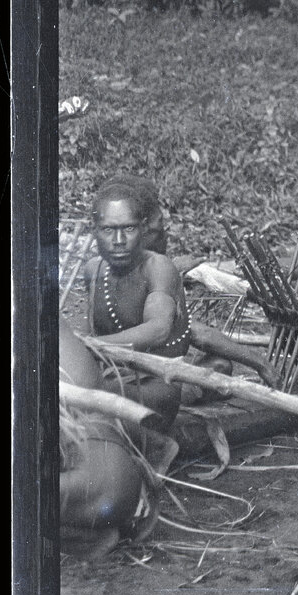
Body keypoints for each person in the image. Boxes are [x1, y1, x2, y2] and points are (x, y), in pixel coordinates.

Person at [104, 174, 281, 389]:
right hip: (135, 382)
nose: (166, 233)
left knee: (217, 365)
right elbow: (197, 334)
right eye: (160, 226)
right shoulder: (148, 272)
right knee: (219, 367)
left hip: (119, 372)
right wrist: (261, 363)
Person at [83, 178, 192, 431]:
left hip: (156, 388)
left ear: (143, 229)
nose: (119, 240)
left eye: (129, 229)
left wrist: (89, 346)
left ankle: (157, 442)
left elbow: (158, 329)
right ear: (95, 230)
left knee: (86, 391)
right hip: (111, 378)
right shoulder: (93, 270)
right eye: (108, 230)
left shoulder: (157, 267)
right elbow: (90, 331)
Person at [59, 317, 163, 560]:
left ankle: (82, 536)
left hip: (95, 486)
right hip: (117, 483)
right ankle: (85, 534)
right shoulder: (48, 323)